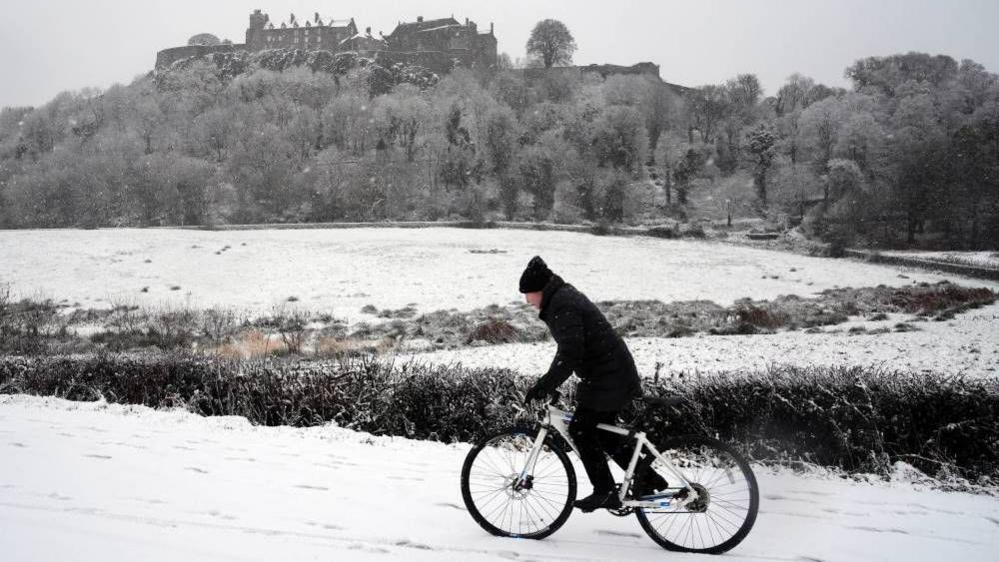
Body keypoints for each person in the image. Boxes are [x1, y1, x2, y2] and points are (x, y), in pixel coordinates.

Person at [519, 256, 666, 512]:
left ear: (540, 290)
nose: (527, 301)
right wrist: (550, 380)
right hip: (611, 373)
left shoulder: (562, 304)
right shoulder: (561, 299)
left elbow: (572, 352)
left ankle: (605, 491)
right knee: (603, 433)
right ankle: (649, 480)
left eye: (528, 294)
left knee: (581, 430)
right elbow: (567, 349)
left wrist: (545, 385)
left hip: (608, 376)